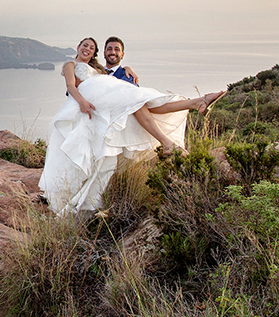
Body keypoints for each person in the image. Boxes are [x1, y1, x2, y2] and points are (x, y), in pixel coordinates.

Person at [38, 37, 226, 215]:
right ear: (78, 47)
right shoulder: (71, 64)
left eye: (91, 48)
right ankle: (191, 108)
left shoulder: (97, 69)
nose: (87, 49)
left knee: (142, 103)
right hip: (91, 95)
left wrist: (127, 67)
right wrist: (81, 102)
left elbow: (109, 73)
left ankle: (195, 103)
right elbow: (71, 86)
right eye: (85, 45)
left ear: (94, 54)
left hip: (104, 92)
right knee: (139, 102)